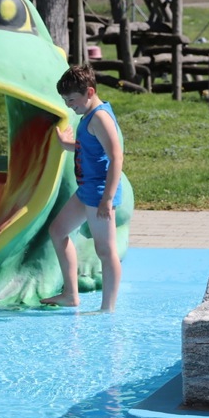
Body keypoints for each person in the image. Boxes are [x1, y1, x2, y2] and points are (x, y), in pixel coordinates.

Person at [40, 64, 124, 312]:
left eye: (72, 100)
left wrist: (107, 199)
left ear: (89, 92)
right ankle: (70, 294)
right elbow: (89, 149)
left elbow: (116, 157)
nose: (69, 105)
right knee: (58, 231)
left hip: (100, 193)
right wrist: (68, 144)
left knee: (105, 251)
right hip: (86, 190)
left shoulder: (100, 117)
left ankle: (107, 308)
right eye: (65, 100)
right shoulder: (88, 115)